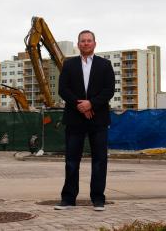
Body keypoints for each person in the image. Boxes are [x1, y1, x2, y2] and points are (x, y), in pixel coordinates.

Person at [54, 30, 115, 211]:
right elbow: (63, 89)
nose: (86, 43)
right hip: (74, 118)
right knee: (72, 160)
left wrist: (91, 105)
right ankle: (68, 199)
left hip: (99, 119)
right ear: (78, 44)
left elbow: (109, 90)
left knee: (99, 160)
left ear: (95, 43)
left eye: (89, 41)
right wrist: (80, 105)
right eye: (83, 41)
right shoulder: (69, 64)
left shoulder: (105, 65)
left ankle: (98, 199)